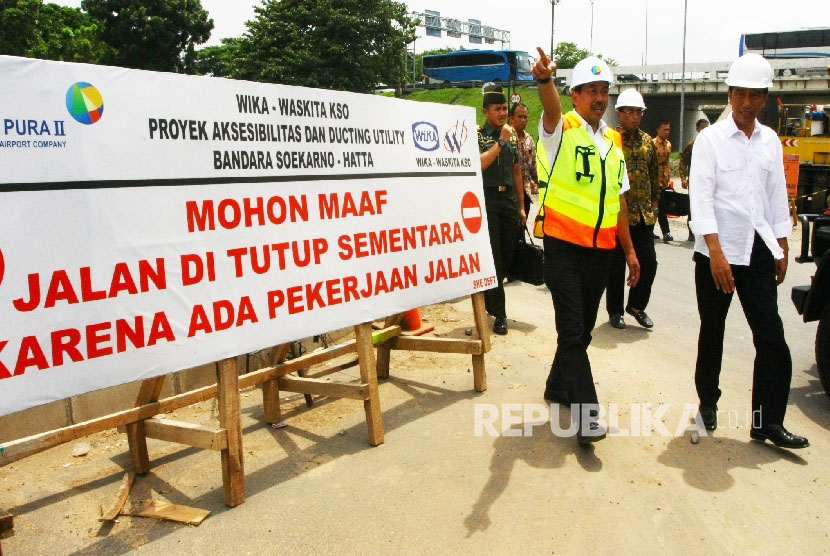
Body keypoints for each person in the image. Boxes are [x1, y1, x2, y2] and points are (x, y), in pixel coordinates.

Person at [689, 53, 808, 449]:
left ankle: (766, 422)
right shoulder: (710, 140)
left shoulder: (770, 141)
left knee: (771, 336)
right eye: (741, 94)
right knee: (714, 331)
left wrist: (783, 244)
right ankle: (708, 401)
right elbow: (701, 201)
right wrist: (717, 254)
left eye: (756, 95)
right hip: (717, 252)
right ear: (730, 93)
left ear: (765, 98)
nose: (747, 102)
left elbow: (776, 198)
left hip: (757, 249)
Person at [531, 49, 640, 445]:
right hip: (563, 250)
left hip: (601, 254)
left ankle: (558, 386)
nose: (598, 98)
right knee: (574, 332)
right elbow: (550, 110)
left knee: (581, 336)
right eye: (589, 90)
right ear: (574, 96)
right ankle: (587, 415)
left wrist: (628, 251)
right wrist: (545, 83)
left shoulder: (614, 141)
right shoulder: (560, 129)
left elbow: (619, 199)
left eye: (603, 91)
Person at [606, 89, 660, 330]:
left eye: (639, 112)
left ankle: (636, 305)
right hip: (617, 214)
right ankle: (615, 311)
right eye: (630, 111)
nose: (635, 116)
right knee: (616, 266)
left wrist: (656, 204)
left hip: (643, 213)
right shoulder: (610, 139)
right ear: (619, 113)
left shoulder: (648, 141)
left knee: (649, 262)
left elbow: (654, 174)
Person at [478, 83, 526, 335]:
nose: (502, 113)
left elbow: (517, 170)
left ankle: (490, 295)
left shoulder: (512, 135)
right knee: (495, 257)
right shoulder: (478, 135)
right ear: (485, 111)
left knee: (508, 254)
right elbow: (480, 165)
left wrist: (521, 205)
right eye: (497, 109)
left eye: (505, 108)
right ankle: (500, 313)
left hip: (508, 201)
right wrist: (501, 142)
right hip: (487, 201)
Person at [679, 118, 710, 242]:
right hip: (695, 181)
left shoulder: (712, 144)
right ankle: (692, 232)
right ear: (697, 129)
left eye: (706, 127)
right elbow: (682, 161)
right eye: (702, 127)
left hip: (708, 181)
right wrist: (683, 178)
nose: (704, 130)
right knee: (694, 207)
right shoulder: (693, 144)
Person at [509, 103, 538, 216]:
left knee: (522, 227)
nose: (523, 120)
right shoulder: (506, 137)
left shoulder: (529, 139)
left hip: (526, 192)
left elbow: (532, 166)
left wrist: (534, 181)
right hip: (510, 193)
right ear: (511, 118)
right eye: (520, 116)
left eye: (525, 117)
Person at [653, 120, 673, 242]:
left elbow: (667, 162)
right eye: (664, 129)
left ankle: (649, 231)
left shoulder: (668, 144)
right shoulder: (653, 143)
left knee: (659, 206)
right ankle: (666, 232)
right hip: (655, 179)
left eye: (668, 130)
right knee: (661, 207)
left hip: (664, 179)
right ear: (658, 130)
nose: (666, 132)